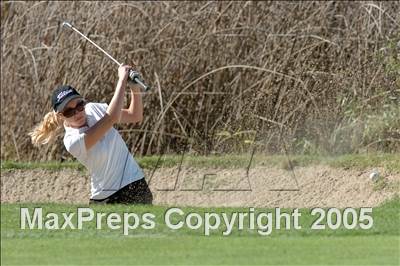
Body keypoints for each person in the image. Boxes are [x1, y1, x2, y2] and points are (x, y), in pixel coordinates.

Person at [29, 65, 153, 204]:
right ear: (61, 116)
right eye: (69, 112)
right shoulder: (72, 141)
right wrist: (122, 80)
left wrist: (134, 87)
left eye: (79, 106)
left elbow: (134, 116)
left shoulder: (94, 108)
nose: (77, 113)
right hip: (107, 199)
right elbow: (110, 119)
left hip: (136, 184)